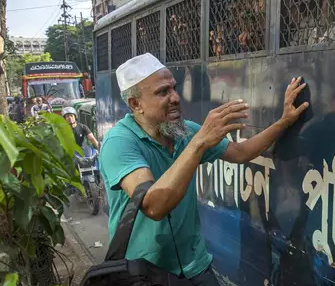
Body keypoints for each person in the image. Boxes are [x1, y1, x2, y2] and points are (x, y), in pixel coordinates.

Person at [99, 53, 309, 286]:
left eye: (174, 88)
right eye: (162, 92)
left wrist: (284, 121)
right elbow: (153, 204)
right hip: (143, 274)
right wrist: (199, 143)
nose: (176, 98)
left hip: (195, 266)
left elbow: (241, 152)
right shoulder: (119, 143)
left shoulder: (186, 132)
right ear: (135, 104)